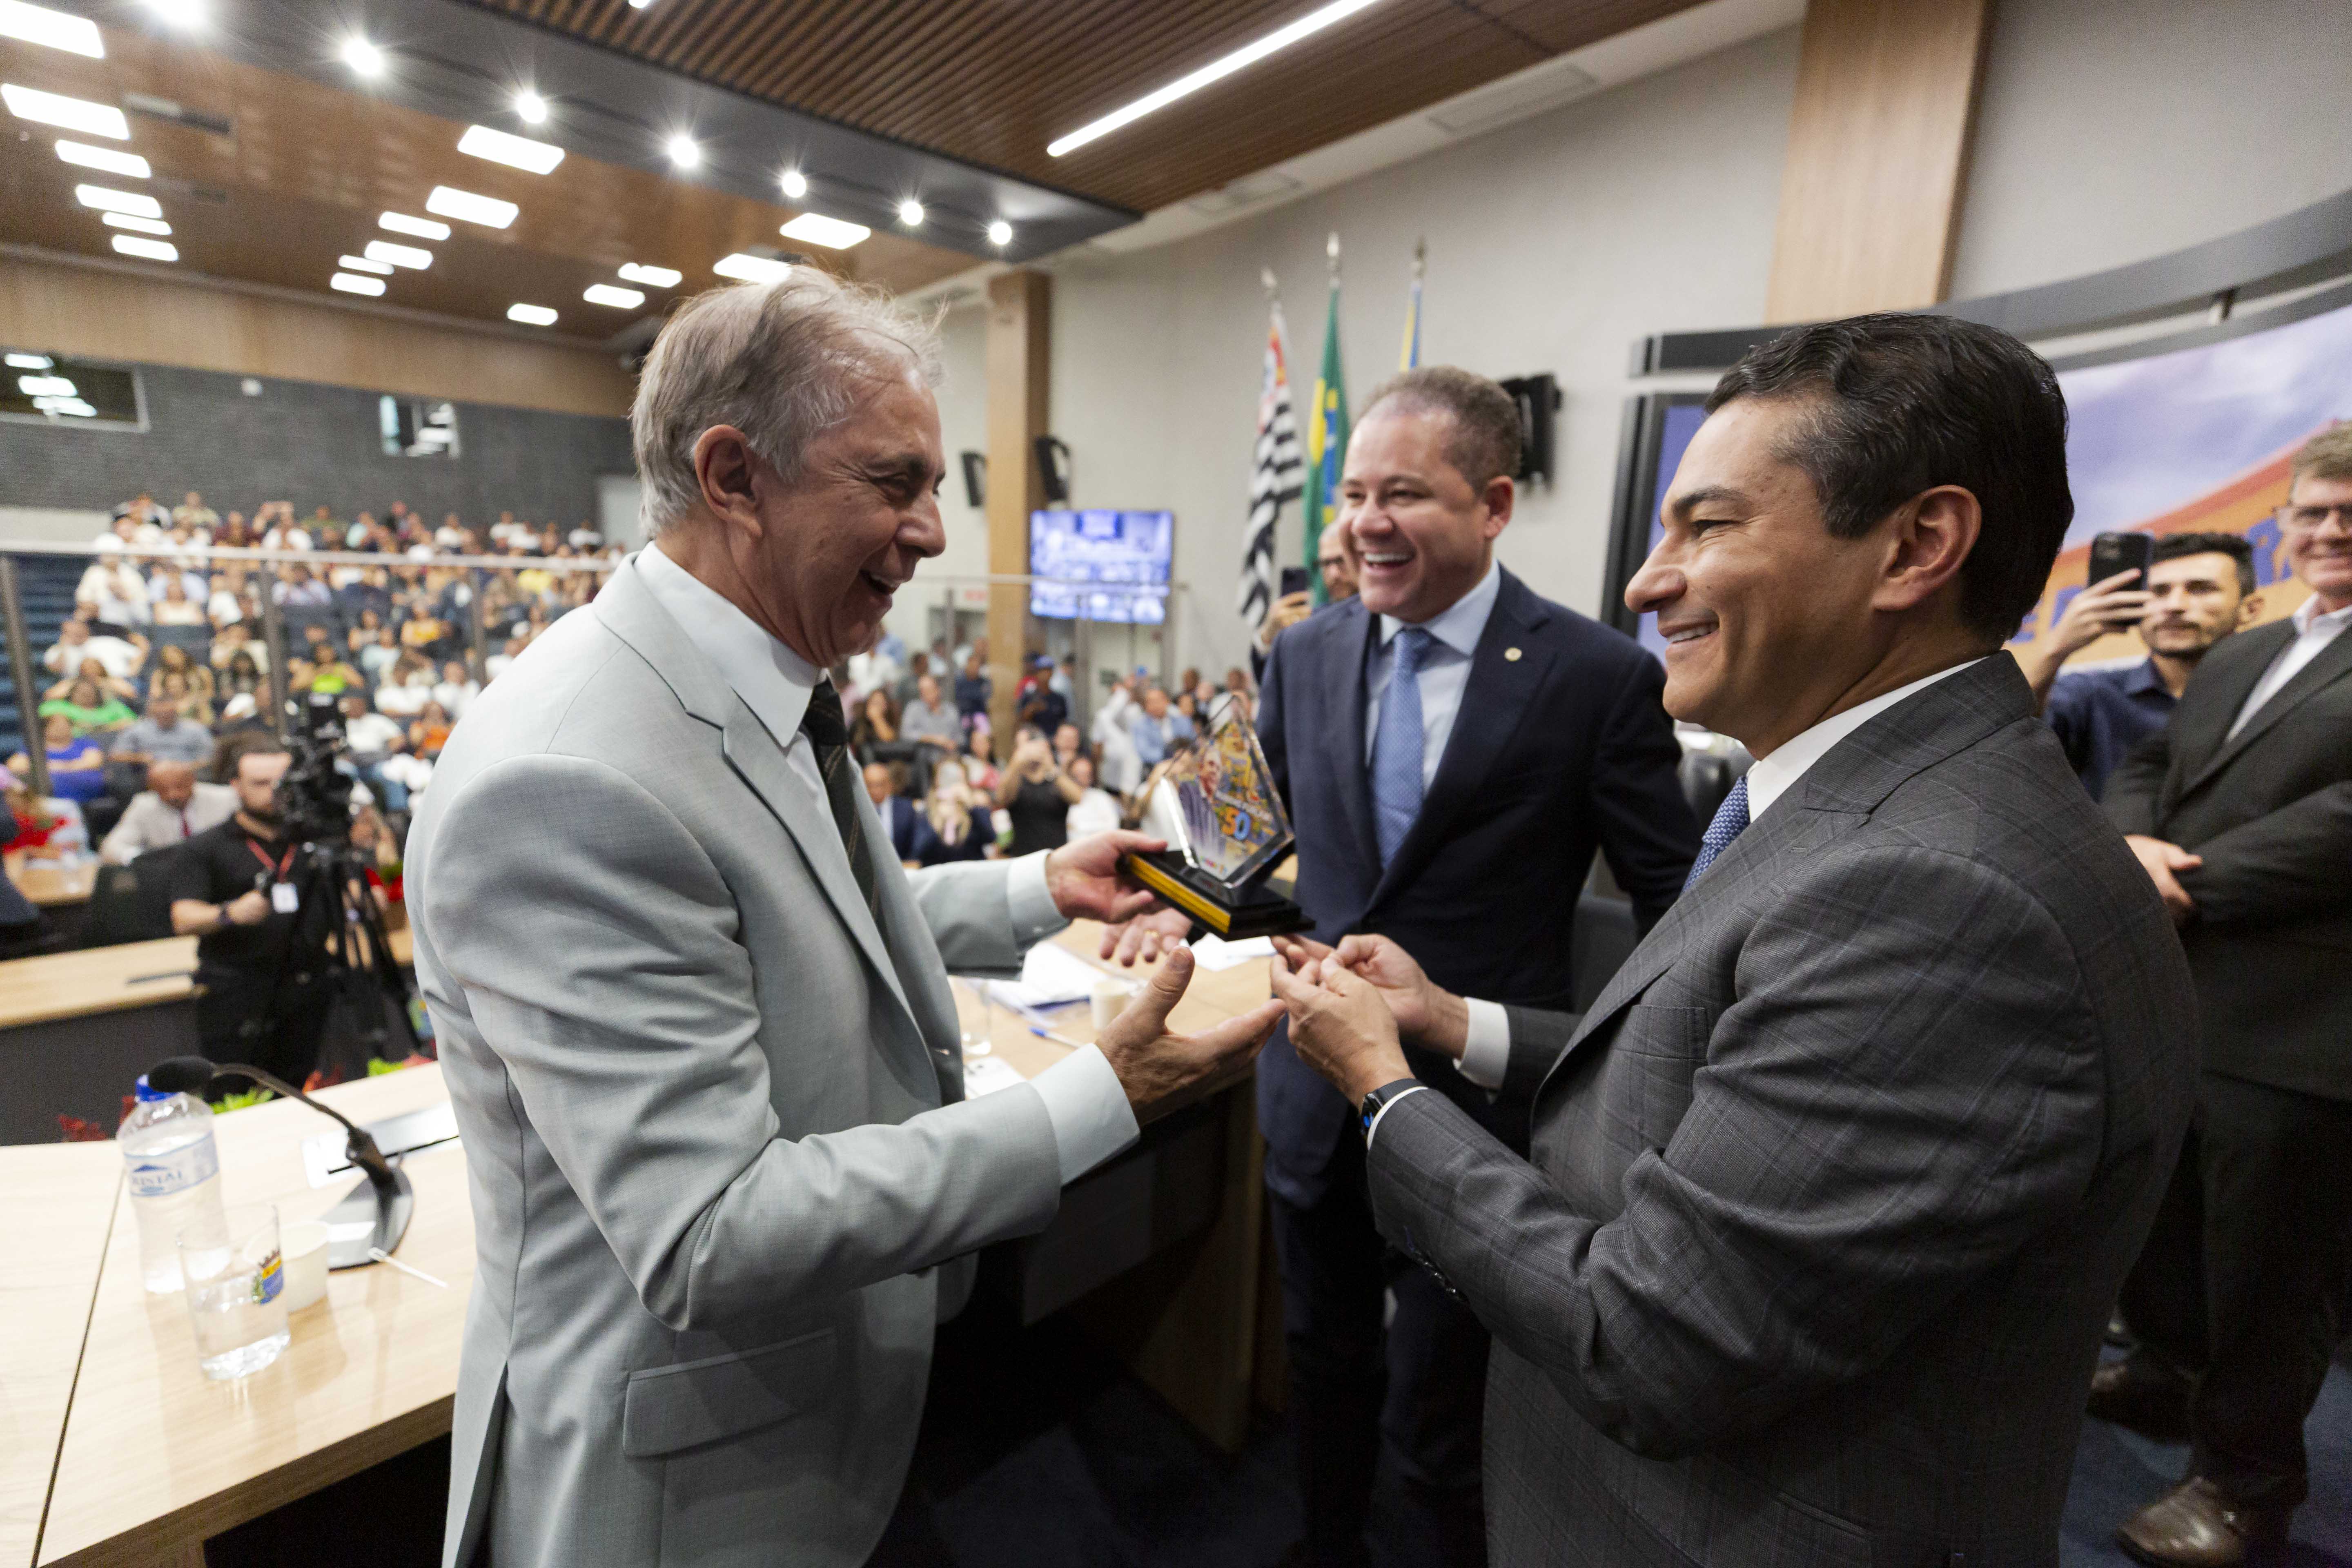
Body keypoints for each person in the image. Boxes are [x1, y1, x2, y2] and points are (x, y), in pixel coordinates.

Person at [1265, 316, 2196, 1568]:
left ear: (1918, 545)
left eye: (1705, 527)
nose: (1647, 584)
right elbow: (1698, 1047)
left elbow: (1646, 1343)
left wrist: (1385, 1087)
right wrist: (1445, 1020)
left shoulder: (1939, 898)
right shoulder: (1843, 808)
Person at [401, 271, 1281, 1568]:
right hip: (686, 1488)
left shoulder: (756, 669)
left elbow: (786, 908)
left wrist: (1038, 885)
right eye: (893, 481)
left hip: (816, 1408)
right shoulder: (568, 779)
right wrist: (1103, 1096)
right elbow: (712, 1227)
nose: (933, 530)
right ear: (734, 477)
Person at [1217, 366, 1700, 1568]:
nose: (1363, 523)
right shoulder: (1303, 652)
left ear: (1492, 504)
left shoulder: (1597, 674)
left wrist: (1643, 1081)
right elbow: (1245, 846)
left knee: (1449, 1422)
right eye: (1352, 495)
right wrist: (1175, 906)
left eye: (1402, 495)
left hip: (1486, 1115)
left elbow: (1683, 907)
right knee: (1322, 1362)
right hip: (1313, 1094)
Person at [2097, 425, 2352, 1566]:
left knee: (2268, 1271)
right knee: (2163, 1221)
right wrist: (2129, 846)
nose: (2330, 530)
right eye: (2313, 512)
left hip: (2303, 1021)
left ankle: (2246, 1487)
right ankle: (2164, 1377)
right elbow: (2151, 763)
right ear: (2283, 525)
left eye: (2349, 513)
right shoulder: (2247, 651)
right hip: (2180, 994)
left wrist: (2187, 883)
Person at [2016, 531, 2260, 798]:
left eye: (2201, 589)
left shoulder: (2274, 693)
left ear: (2250, 609)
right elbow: (2005, 742)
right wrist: (2054, 650)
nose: (2174, 605)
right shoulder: (2091, 694)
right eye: (2158, 592)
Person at [164, 735, 339, 1082]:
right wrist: (229, 913)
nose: (274, 792)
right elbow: (183, 917)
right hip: (240, 991)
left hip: (311, 985)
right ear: (236, 786)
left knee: (318, 1085)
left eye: (282, 783)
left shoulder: (315, 842)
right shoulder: (205, 848)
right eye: (260, 783)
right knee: (240, 1093)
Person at [99, 760, 237, 863]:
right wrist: (143, 859)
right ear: (152, 789)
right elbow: (111, 848)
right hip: (170, 874)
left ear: (192, 781)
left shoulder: (227, 798)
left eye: (179, 787)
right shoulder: (143, 806)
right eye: (163, 790)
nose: (173, 795)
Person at [996, 724, 1081, 857]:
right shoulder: (1016, 780)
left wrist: (1051, 767)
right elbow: (1002, 798)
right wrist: (1016, 764)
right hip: (1023, 857)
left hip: (1056, 856)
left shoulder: (1055, 778)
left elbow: (1077, 798)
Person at [8, 715, 107, 808]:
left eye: (65, 725)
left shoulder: (84, 743)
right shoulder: (34, 748)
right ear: (45, 729)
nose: (61, 729)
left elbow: (94, 761)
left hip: (89, 793)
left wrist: (51, 767)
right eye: (55, 726)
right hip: (49, 799)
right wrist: (73, 765)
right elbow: (15, 765)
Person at [111, 695, 214, 769]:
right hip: (147, 773)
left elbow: (209, 758)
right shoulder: (137, 730)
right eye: (161, 715)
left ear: (176, 712)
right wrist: (139, 758)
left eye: (169, 714)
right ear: (153, 713)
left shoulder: (196, 730)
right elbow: (116, 755)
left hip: (187, 772)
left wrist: (187, 767)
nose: (165, 717)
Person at [864, 760, 936, 866]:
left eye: (879, 785)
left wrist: (910, 861)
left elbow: (920, 841)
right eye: (870, 785)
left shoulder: (907, 809)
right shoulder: (857, 812)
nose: (875, 790)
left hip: (903, 865)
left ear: (889, 785)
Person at [1127, 685, 1192, 768]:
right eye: (1151, 702)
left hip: (1185, 765)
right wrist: (1170, 756)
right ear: (1145, 706)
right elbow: (1144, 752)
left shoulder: (1183, 721)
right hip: (1155, 767)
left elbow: (1192, 744)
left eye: (1159, 701)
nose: (1156, 705)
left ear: (1167, 701)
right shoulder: (1140, 726)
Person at [1065, 751, 1121, 838]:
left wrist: (1080, 827)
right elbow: (1066, 829)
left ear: (1092, 775)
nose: (1082, 778)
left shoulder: (1102, 797)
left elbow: (1113, 826)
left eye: (1086, 774)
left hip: (1101, 843)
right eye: (1078, 774)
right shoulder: (1062, 798)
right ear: (1070, 774)